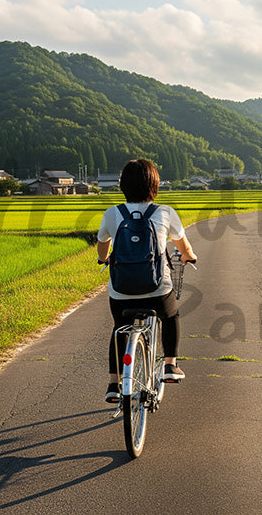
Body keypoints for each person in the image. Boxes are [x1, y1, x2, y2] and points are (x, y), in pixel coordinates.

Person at [97, 159, 197, 403]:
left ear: (123, 185)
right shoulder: (165, 212)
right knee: (171, 316)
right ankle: (171, 365)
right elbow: (183, 246)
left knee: (119, 327)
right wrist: (189, 257)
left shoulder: (112, 214)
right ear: (155, 185)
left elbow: (102, 248)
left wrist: (104, 259)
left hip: (121, 291)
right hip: (158, 290)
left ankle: (113, 383)